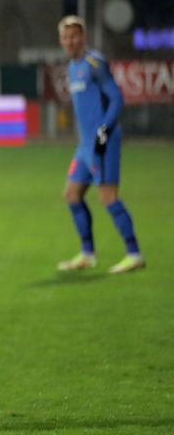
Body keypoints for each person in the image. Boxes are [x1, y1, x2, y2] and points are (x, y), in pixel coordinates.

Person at [55, 15, 144, 274]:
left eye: (74, 36)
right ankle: (87, 255)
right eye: (65, 37)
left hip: (103, 141)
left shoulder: (95, 63)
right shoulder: (72, 67)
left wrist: (103, 131)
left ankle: (134, 254)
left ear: (83, 37)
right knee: (72, 195)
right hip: (85, 146)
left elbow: (116, 98)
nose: (69, 41)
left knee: (108, 197)